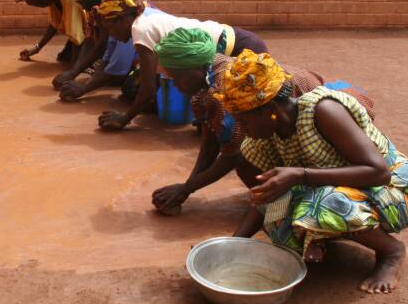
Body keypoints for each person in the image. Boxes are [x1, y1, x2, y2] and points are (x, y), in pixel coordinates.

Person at [216, 50, 408, 294]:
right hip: (338, 190)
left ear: (269, 110)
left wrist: (300, 175)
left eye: (245, 121)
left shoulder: (322, 111)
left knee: (326, 205)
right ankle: (320, 236)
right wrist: (233, 245)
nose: (243, 129)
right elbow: (266, 199)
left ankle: (391, 251)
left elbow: (379, 172)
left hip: (390, 190)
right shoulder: (262, 140)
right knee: (278, 226)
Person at [150, 28, 376, 215]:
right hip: (286, 123)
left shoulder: (224, 88)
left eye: (176, 77)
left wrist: (187, 188)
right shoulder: (209, 76)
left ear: (196, 69)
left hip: (327, 128)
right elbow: (211, 139)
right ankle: (279, 203)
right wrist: (187, 188)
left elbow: (232, 154)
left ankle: (294, 205)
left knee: (245, 160)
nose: (175, 85)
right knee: (251, 154)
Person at [83, 0, 267, 131]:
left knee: (233, 115)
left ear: (123, 19)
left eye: (110, 28)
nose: (111, 34)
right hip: (242, 39)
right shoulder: (146, 18)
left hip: (238, 48)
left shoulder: (140, 30)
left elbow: (148, 88)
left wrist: (124, 119)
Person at [15, 0, 106, 88]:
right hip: (84, 28)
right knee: (64, 58)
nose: (40, 8)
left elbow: (77, 36)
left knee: (84, 61)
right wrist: (37, 48)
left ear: (44, 1)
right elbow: (54, 24)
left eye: (38, 5)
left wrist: (73, 73)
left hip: (94, 29)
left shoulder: (70, 0)